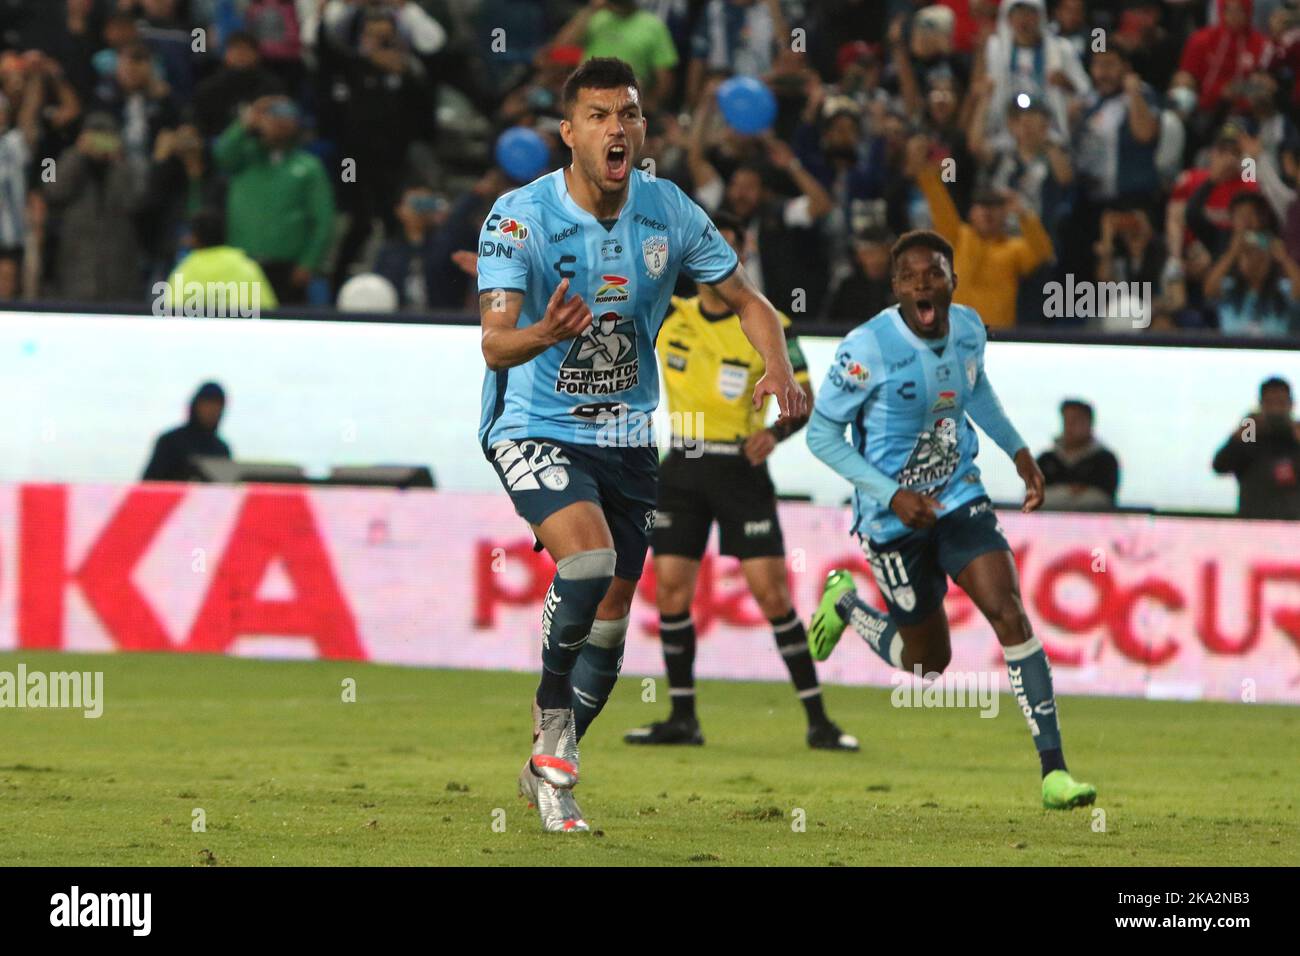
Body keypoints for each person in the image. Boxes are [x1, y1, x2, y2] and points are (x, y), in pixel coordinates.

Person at [476, 58, 805, 832]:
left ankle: (547, 771)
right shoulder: (519, 217)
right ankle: (552, 721)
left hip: (627, 438)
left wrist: (778, 363)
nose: (616, 128)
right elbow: (493, 346)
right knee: (587, 565)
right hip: (534, 424)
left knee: (617, 614)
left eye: (628, 114)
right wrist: (543, 334)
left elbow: (746, 299)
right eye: (597, 115)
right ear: (569, 133)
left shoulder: (670, 212)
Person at [803, 229, 1097, 811]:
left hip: (960, 496)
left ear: (952, 280)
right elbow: (821, 434)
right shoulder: (866, 349)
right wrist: (890, 495)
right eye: (909, 276)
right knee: (926, 662)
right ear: (895, 288)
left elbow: (975, 387)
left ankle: (1054, 771)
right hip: (891, 524)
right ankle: (844, 605)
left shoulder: (967, 327)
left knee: (1010, 613)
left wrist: (1017, 451)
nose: (922, 283)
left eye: (933, 272)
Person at [624, 211, 857, 752]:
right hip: (679, 466)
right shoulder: (668, 315)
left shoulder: (767, 322)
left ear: (743, 253)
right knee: (673, 593)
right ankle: (683, 718)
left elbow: (802, 400)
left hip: (739, 469)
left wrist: (775, 435)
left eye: (726, 248)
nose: (715, 259)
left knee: (772, 594)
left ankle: (818, 722)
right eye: (707, 248)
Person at [213, 95, 335, 305]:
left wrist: (309, 262)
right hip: (242, 265)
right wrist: (245, 123)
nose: (279, 123)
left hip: (288, 269)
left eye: (286, 117)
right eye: (272, 117)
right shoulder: (244, 159)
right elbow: (221, 155)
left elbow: (324, 221)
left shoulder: (309, 167)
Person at [1213, 377, 1300, 519]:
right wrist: (1241, 435)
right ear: (1261, 405)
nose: (1276, 410)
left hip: (1293, 528)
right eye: (1270, 403)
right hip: (1254, 526)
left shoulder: (1297, 435)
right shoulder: (1251, 435)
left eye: (1281, 403)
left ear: (1291, 405)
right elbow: (1220, 466)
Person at [163, 210, 279, 316]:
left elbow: (170, 316)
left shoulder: (184, 270)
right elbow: (269, 312)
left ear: (194, 238)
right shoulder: (247, 267)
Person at [1036, 399, 1121, 510]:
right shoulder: (1045, 459)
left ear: (1090, 423)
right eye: (1067, 420)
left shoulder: (1105, 460)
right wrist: (1069, 492)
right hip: (1048, 525)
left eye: (1076, 421)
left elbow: (1103, 499)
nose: (1070, 426)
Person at [142, 381, 233, 481]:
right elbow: (149, 485)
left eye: (218, 405)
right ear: (195, 405)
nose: (213, 409)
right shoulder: (170, 442)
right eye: (207, 403)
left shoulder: (222, 449)